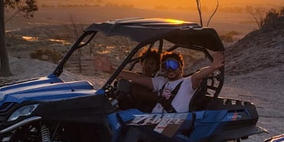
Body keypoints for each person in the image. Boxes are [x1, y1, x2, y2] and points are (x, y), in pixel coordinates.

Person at [94, 49, 224, 113]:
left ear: (180, 66)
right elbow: (138, 78)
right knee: (120, 118)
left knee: (129, 132)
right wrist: (112, 70)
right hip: (153, 121)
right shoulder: (161, 82)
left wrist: (213, 67)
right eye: (165, 66)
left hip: (171, 124)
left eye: (172, 65)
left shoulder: (187, 83)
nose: (169, 69)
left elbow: (198, 75)